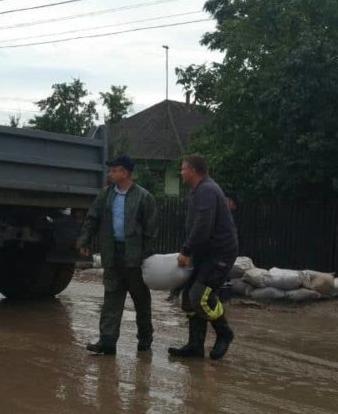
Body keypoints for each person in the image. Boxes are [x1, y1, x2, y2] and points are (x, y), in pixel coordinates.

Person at [77, 155, 159, 355]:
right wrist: (84, 241)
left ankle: (145, 340)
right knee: (111, 299)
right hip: (112, 254)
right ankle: (107, 342)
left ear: (125, 173)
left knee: (141, 300)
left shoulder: (144, 197)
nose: (110, 174)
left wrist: (145, 255)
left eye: (114, 170)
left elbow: (151, 229)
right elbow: (92, 218)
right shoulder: (106, 195)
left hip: (135, 257)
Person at [168, 154, 238, 360]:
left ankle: (224, 333)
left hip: (219, 254)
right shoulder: (199, 190)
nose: (181, 172)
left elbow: (202, 226)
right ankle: (195, 346)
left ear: (193, 170)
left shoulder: (207, 190)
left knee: (201, 296)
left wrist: (186, 250)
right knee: (189, 298)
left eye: (183, 168)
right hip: (205, 253)